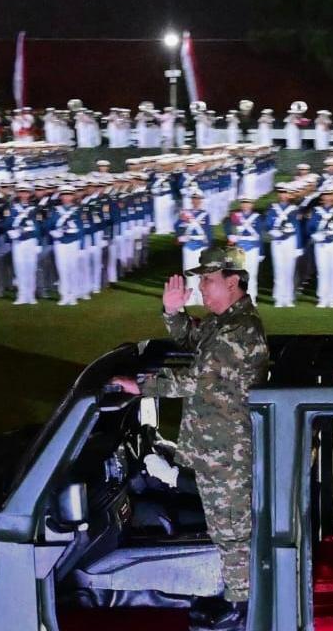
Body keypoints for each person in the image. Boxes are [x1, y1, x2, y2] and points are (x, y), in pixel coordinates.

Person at [108, 246, 269, 631]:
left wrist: (141, 386)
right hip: (216, 448)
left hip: (228, 453)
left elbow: (197, 379)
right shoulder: (223, 323)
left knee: (232, 531)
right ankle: (236, 596)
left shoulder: (240, 329)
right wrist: (172, 312)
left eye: (208, 280)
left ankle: (243, 609)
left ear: (233, 282)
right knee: (223, 528)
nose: (202, 288)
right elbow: (191, 341)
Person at [307, 185, 333, 308]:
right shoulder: (316, 211)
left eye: (330, 195)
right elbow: (310, 227)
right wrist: (315, 235)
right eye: (325, 196)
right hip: (321, 244)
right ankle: (322, 298)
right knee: (322, 271)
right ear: (322, 198)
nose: (328, 198)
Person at [266, 183, 302, 307]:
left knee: (289, 270)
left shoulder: (294, 210)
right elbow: (268, 224)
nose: (283, 195)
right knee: (279, 270)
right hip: (277, 241)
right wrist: (272, 231)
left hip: (290, 241)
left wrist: (298, 247)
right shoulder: (272, 208)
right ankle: (279, 298)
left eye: (285, 193)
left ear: (290, 195)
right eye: (281, 193)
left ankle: (288, 298)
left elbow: (297, 228)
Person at [48, 185, 84, 306]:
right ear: (61, 197)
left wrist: (81, 246)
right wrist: (53, 232)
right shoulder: (55, 210)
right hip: (60, 243)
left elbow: (81, 229)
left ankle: (73, 295)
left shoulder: (78, 210)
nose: (66, 198)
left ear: (73, 196)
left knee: (73, 269)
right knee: (62, 269)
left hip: (73, 242)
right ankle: (64, 295)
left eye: (69, 195)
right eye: (64, 195)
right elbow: (49, 225)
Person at [7, 182, 42, 305]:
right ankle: (21, 295)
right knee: (19, 269)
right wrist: (11, 231)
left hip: (31, 241)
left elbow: (38, 227)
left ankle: (30, 295)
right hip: (18, 242)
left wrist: (38, 243)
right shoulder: (12, 208)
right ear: (18, 193)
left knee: (31, 268)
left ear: (30, 194)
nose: (24, 195)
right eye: (21, 192)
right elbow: (8, 223)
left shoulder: (34, 209)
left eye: (26, 192)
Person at [225, 197, 265, 303]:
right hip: (239, 249)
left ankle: (251, 298)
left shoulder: (257, 217)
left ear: (252, 204)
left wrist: (261, 252)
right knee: (239, 275)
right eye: (243, 203)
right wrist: (230, 235)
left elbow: (260, 236)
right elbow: (227, 226)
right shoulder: (236, 216)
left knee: (252, 274)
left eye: (248, 203)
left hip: (253, 248)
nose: (245, 205)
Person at [176, 192, 212, 306]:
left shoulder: (205, 214)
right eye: (194, 199)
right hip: (189, 245)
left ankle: (201, 297)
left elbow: (208, 232)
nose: (196, 201)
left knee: (202, 273)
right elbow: (177, 226)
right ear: (191, 200)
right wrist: (180, 235)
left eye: (198, 199)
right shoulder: (185, 213)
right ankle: (190, 297)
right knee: (189, 271)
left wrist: (209, 247)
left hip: (201, 245)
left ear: (201, 201)